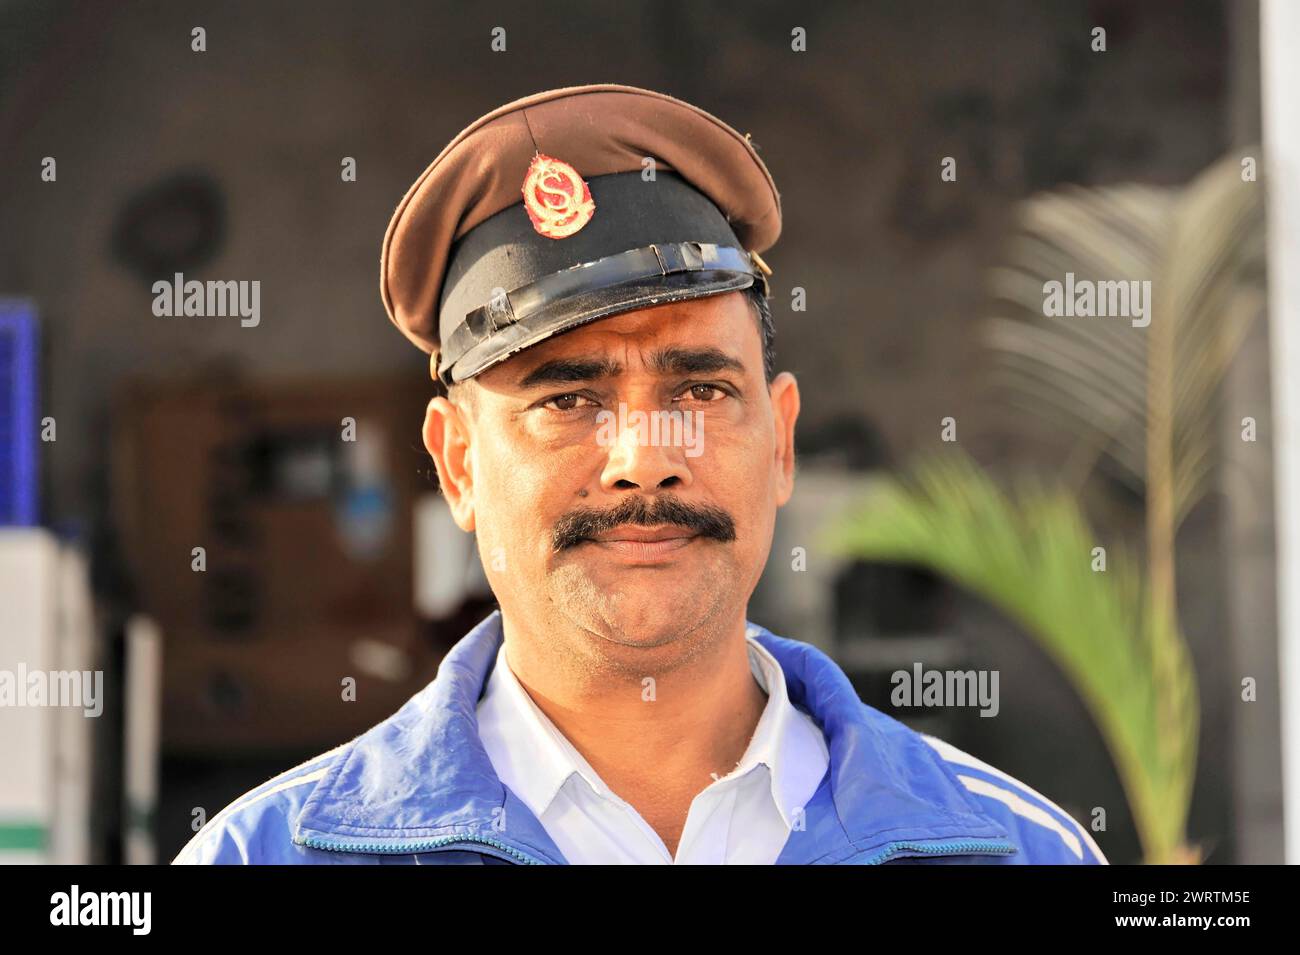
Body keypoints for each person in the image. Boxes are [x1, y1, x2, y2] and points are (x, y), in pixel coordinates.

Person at [174, 83, 1106, 865]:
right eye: (569, 400)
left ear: (779, 443)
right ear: (458, 463)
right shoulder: (265, 854)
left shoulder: (1015, 850)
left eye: (699, 389)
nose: (644, 458)